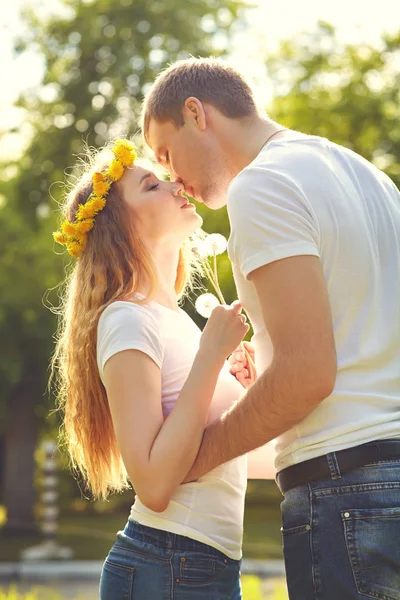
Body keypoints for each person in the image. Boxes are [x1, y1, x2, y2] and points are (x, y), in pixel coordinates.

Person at [142, 58, 400, 600]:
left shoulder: (261, 186)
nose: (172, 175)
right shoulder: (367, 177)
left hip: (347, 494)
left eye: (165, 152)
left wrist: (198, 456)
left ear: (196, 113)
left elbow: (308, 375)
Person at [50, 138, 254, 600]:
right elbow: (154, 483)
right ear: (122, 227)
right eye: (152, 185)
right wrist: (210, 357)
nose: (175, 184)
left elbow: (230, 461)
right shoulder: (126, 319)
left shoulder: (173, 318)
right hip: (167, 565)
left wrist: (253, 393)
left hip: (206, 566)